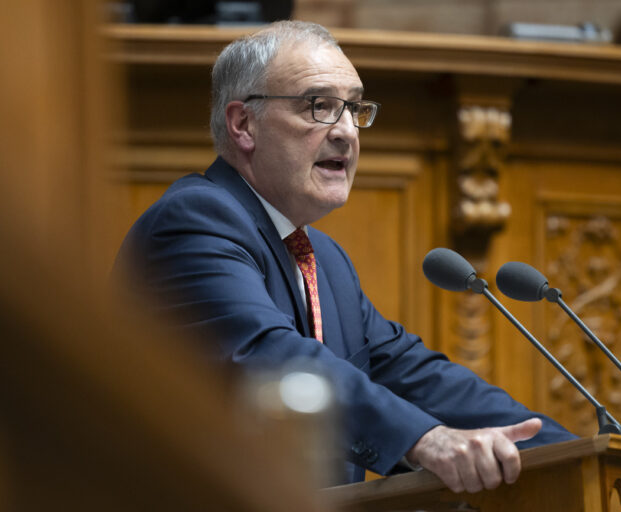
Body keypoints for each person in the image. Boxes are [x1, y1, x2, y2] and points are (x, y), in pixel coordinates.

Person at [114, 20, 576, 492]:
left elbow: (417, 377)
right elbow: (270, 356)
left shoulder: (324, 259)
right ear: (243, 124)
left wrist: (572, 454)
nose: (347, 133)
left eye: (353, 109)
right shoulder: (195, 220)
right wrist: (425, 439)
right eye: (320, 107)